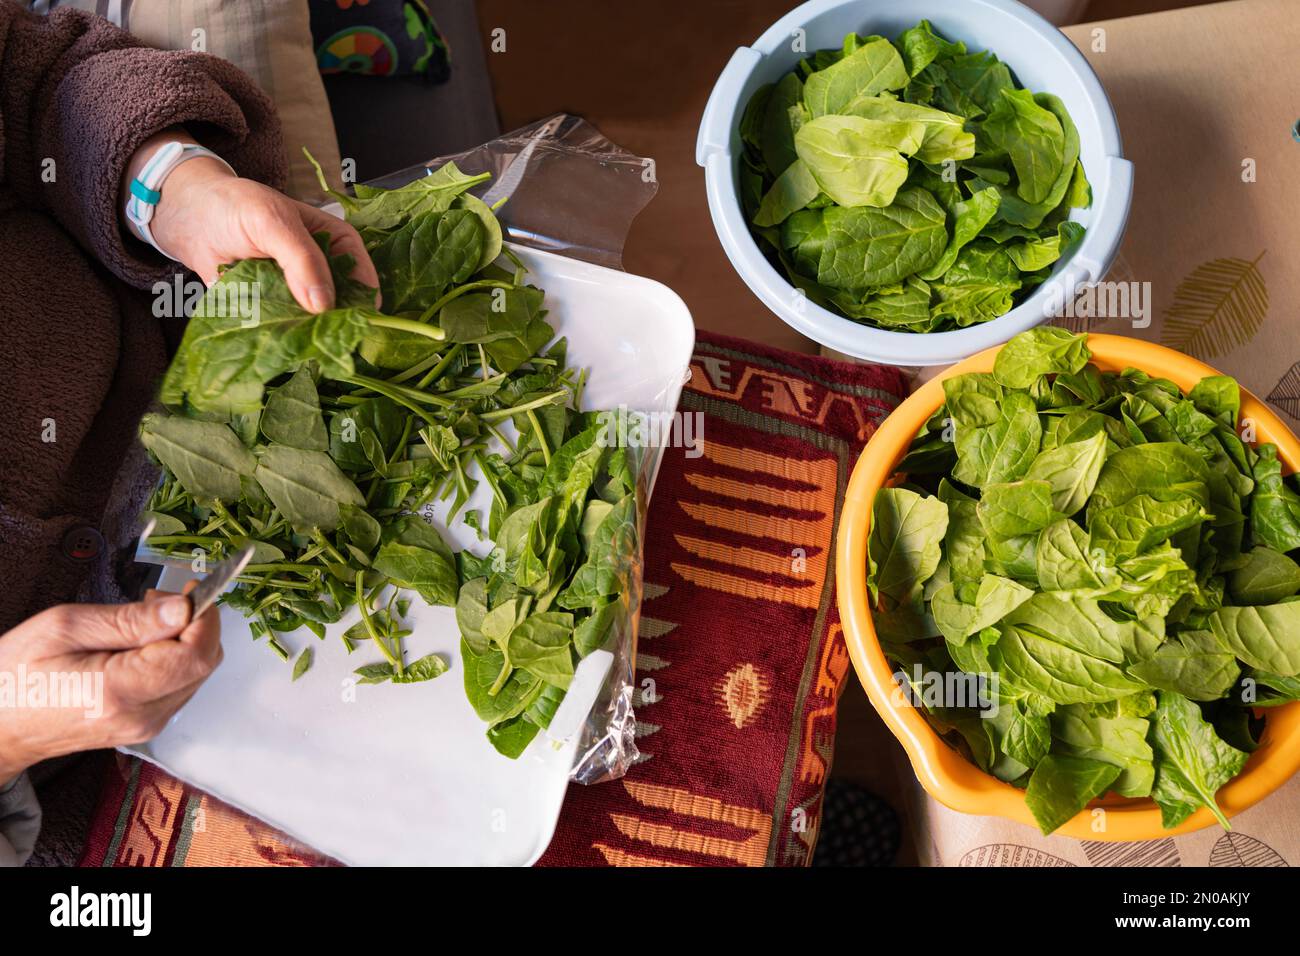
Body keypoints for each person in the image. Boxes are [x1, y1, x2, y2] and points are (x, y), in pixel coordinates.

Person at [0, 2, 378, 864]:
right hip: (80, 807)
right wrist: (7, 733)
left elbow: (37, 81)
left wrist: (169, 189)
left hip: (219, 361)